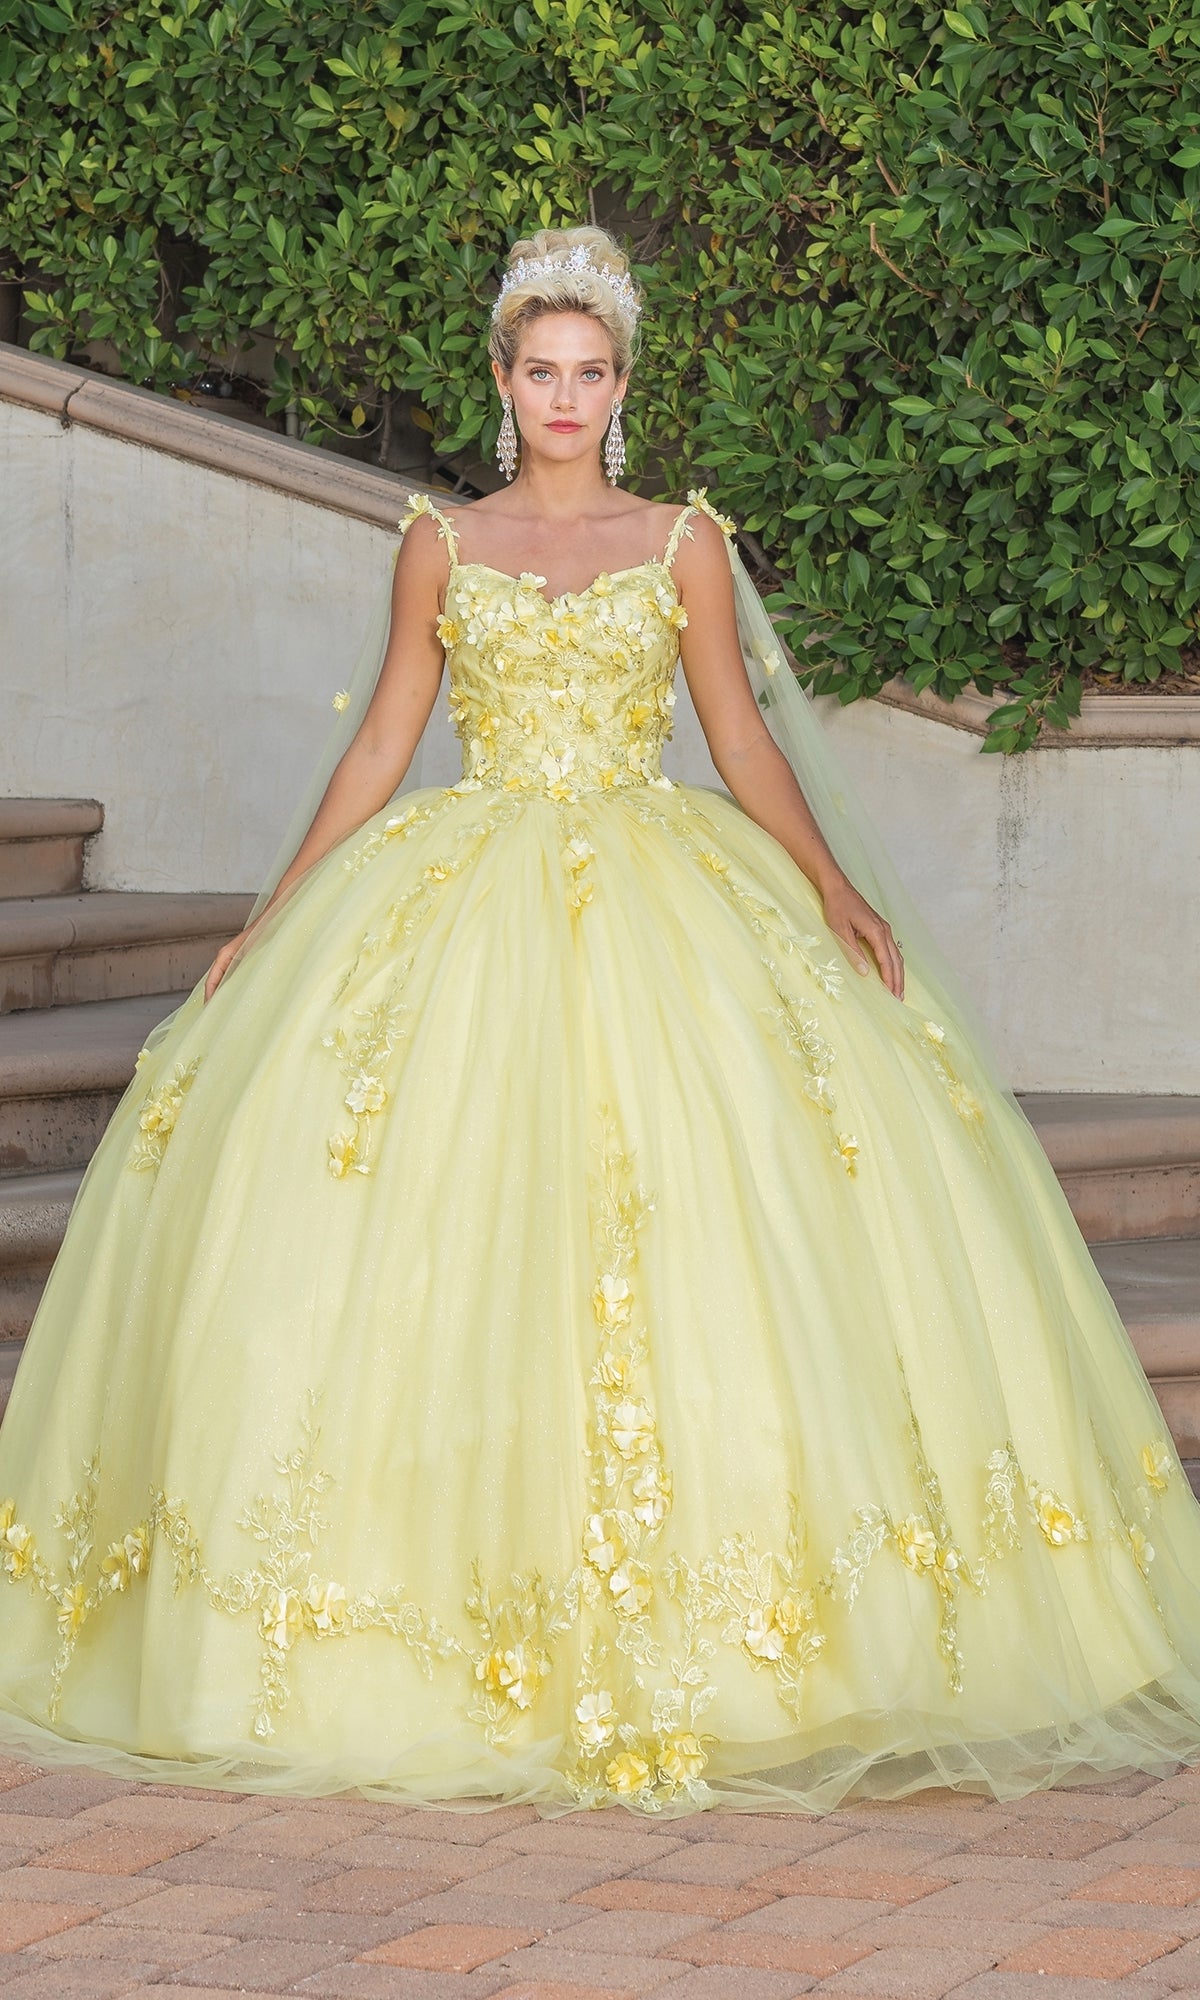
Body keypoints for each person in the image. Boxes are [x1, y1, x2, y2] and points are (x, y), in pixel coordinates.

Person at [1, 225, 1198, 1821]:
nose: (567, 396)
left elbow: (741, 744)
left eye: (594, 372)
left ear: (623, 387)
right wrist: (276, 909)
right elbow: (379, 755)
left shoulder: (682, 542)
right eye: (541, 371)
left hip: (662, 888)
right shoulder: (441, 542)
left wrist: (832, 885)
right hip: (467, 886)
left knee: (724, 1233)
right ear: (501, 383)